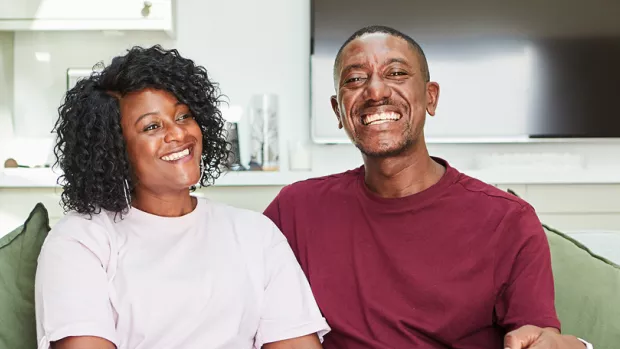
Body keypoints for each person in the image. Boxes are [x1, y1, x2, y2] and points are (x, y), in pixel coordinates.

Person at [264, 26, 592, 349]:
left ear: (430, 97)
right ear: (339, 110)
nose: (376, 92)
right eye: (355, 79)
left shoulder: (508, 220)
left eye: (395, 73)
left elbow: (538, 337)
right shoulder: (295, 209)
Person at [35, 45, 329, 349]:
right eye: (152, 126)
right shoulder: (81, 241)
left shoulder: (256, 235)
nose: (178, 134)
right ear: (113, 148)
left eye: (183, 116)